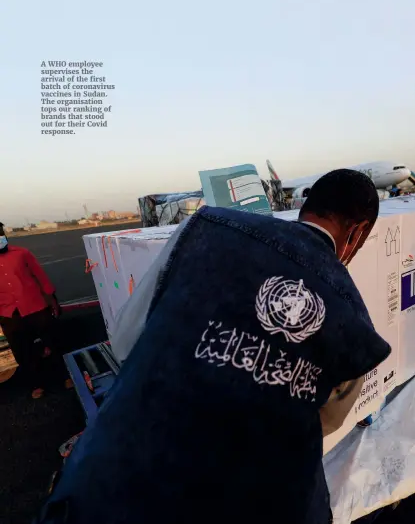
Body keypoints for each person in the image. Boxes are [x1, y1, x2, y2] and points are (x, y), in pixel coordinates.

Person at [39, 170, 391, 524]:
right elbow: (318, 425)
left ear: (304, 205)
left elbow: (126, 340)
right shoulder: (356, 323)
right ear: (358, 232)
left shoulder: (206, 228)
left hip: (106, 491)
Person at [0, 223, 69, 398]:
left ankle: (65, 376)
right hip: (8, 313)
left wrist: (52, 300)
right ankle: (35, 384)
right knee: (22, 351)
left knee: (53, 342)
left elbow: (40, 276)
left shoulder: (21, 253)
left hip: (35, 305)